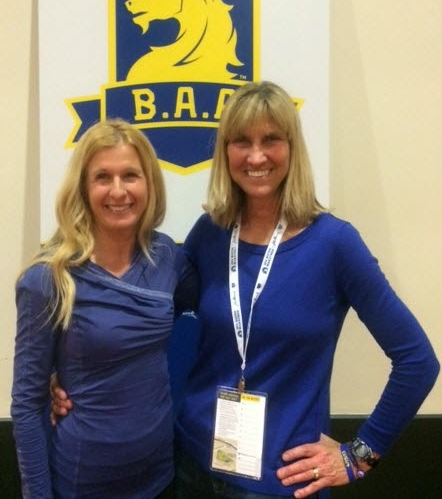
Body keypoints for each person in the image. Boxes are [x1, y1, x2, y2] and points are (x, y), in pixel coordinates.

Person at [52, 82, 440, 499]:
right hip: (190, 465)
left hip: (282, 481)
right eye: (242, 141)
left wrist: (360, 455)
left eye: (270, 139)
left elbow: (417, 361)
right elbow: (141, 320)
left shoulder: (334, 244)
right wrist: (67, 377)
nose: (256, 157)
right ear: (225, 152)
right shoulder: (211, 233)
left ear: (292, 148)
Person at [11, 119, 196, 499]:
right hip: (84, 484)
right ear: (82, 187)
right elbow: (27, 407)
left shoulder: (166, 256)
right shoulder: (48, 278)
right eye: (102, 177)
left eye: (130, 175)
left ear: (149, 183)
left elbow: (196, 308)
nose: (118, 190)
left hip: (161, 476)